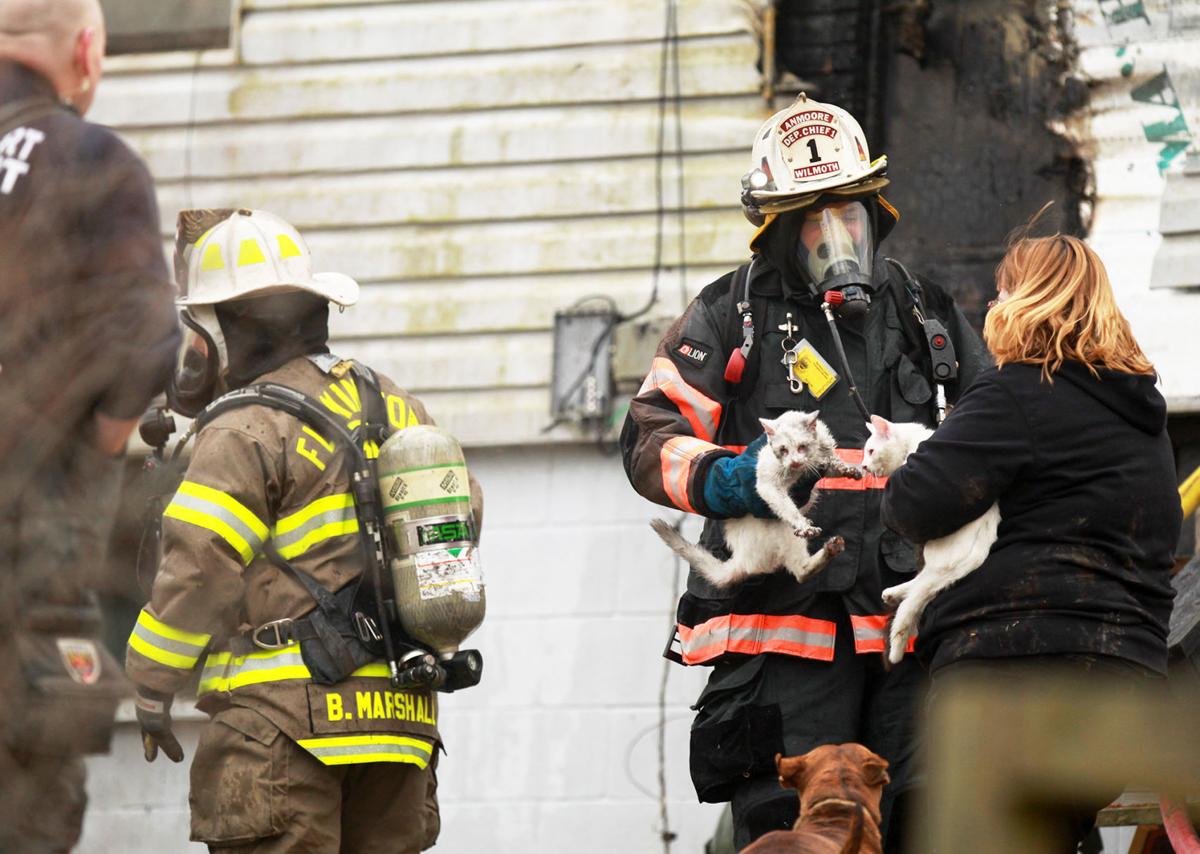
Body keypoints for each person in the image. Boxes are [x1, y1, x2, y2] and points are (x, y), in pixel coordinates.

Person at [620, 92, 988, 851]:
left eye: (847, 213)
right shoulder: (731, 313)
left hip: (909, 634)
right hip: (781, 635)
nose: (835, 236)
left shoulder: (926, 315)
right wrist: (722, 477)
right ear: (779, 230)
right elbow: (650, 435)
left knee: (930, 827)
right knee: (790, 834)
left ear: (874, 215)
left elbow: (994, 431)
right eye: (812, 220)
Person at [125, 208, 483, 852]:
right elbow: (462, 517)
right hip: (400, 724)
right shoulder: (397, 404)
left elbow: (199, 570)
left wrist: (151, 682)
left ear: (225, 327)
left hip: (282, 727)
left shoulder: (245, 426)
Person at [881, 222, 1180, 850]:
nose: (992, 304)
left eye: (1003, 290)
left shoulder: (1017, 392)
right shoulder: (1143, 424)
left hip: (1015, 681)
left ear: (1029, 300)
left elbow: (911, 504)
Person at [0, 0, 180, 850]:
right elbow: (145, 337)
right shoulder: (86, 160)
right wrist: (97, 448)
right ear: (84, 50)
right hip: (25, 566)